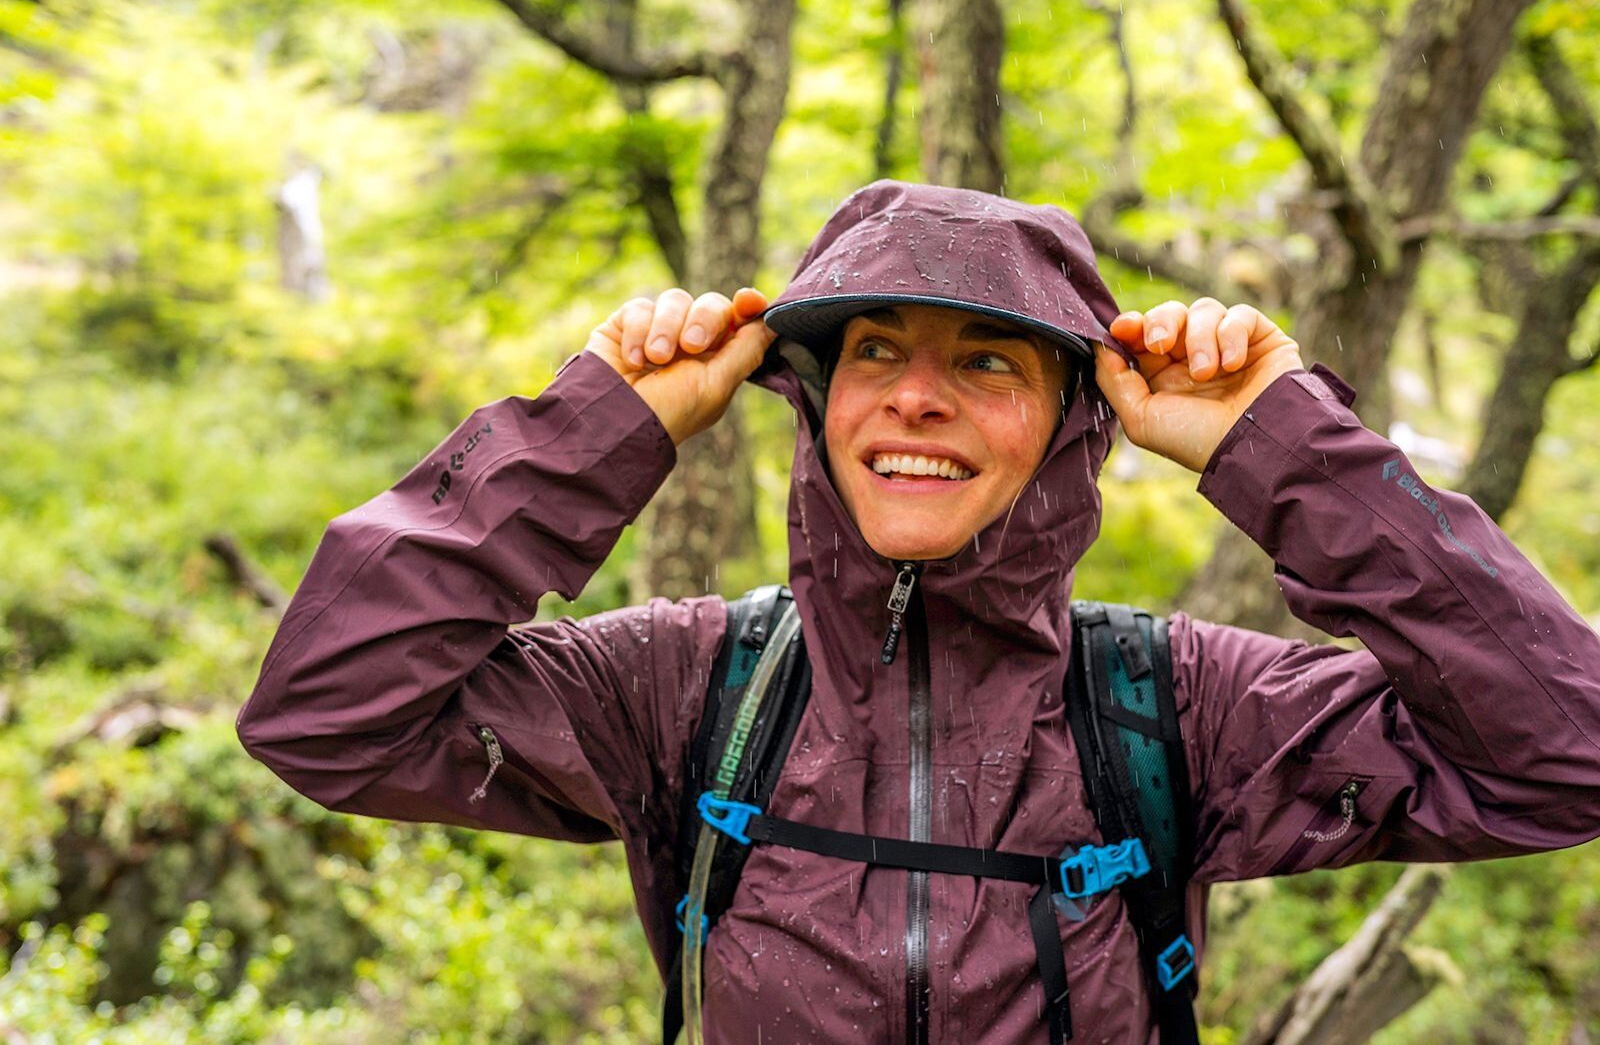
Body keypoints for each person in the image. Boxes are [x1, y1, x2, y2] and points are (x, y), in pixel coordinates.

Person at [236, 179, 1600, 1043]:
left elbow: (1566, 753)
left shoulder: (1178, 708)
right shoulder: (686, 687)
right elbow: (327, 715)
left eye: (986, 361)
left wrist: (1282, 447)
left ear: (1072, 427)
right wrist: (596, 424)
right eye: (874, 351)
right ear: (814, 405)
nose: (915, 397)